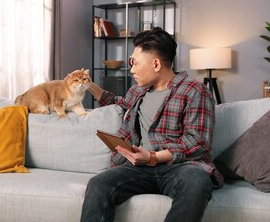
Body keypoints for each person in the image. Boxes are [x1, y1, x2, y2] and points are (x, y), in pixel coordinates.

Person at [81, 27, 224, 222]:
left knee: (197, 181)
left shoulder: (194, 91)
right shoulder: (137, 92)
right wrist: (87, 84)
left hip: (179, 167)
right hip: (137, 168)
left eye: (135, 63)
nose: (131, 69)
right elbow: (115, 101)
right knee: (98, 183)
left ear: (156, 64)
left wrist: (153, 157)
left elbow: (197, 142)